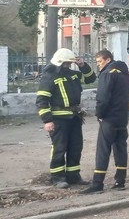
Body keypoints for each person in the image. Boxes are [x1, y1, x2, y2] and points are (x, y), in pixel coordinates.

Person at [36, 48, 97, 188]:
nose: (69, 65)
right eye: (67, 63)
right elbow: (41, 100)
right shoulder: (48, 77)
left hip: (75, 117)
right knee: (59, 148)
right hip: (58, 120)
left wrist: (83, 65)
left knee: (76, 147)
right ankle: (57, 178)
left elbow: (91, 78)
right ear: (59, 61)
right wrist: (47, 120)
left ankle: (73, 176)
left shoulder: (74, 75)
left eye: (70, 63)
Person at [83, 50, 129, 193]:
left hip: (109, 118)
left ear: (108, 59)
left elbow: (103, 98)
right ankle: (120, 181)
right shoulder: (125, 74)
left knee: (103, 150)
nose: (99, 65)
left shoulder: (107, 74)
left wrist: (99, 114)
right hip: (122, 117)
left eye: (100, 62)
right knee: (120, 148)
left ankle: (97, 184)